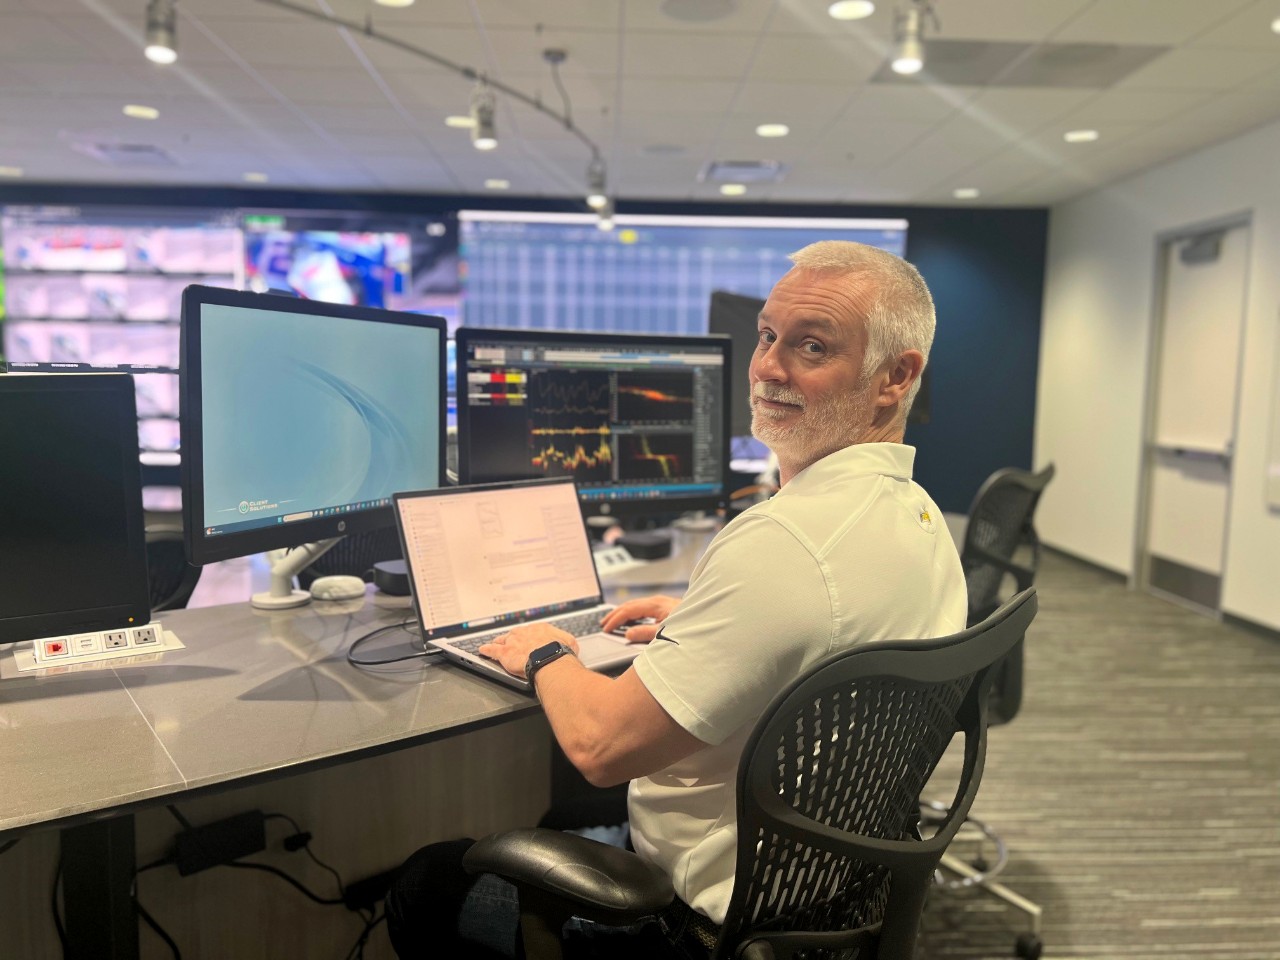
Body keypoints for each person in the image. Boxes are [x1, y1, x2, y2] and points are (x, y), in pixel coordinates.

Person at [385, 240, 968, 958]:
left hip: (697, 920)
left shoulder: (783, 543)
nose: (766, 368)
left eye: (811, 347)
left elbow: (600, 746)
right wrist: (701, 625)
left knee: (426, 881)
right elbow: (825, 639)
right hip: (822, 888)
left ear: (895, 377)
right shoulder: (919, 517)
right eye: (767, 336)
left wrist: (546, 650)